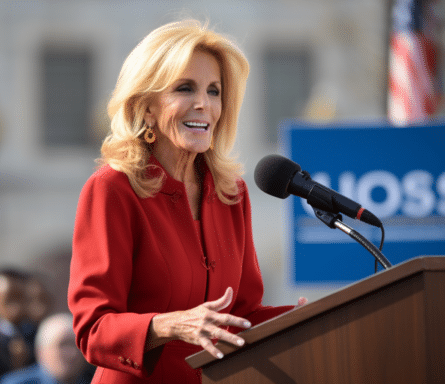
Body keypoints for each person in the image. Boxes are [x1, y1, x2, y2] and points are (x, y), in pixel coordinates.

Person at [67, 19, 306, 384]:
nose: (203, 104)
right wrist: (167, 325)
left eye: (214, 91)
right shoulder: (113, 189)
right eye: (185, 88)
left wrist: (304, 319)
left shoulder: (231, 194)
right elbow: (92, 329)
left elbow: (240, 315)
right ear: (146, 106)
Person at [0, 313, 94, 384]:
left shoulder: (97, 380)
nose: (73, 353)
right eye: (63, 345)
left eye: (78, 346)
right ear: (41, 351)